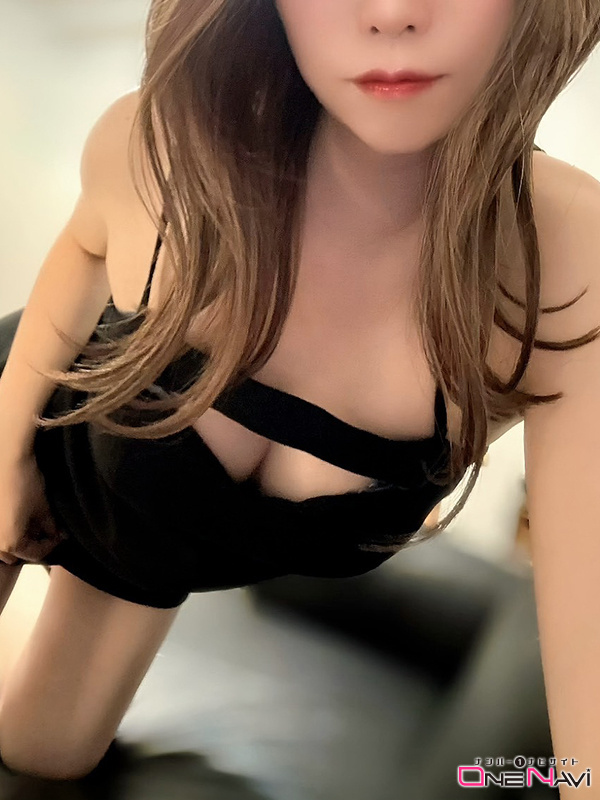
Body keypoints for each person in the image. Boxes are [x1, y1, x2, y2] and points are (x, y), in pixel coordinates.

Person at [0, 0, 599, 787]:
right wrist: (7, 455)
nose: (393, 12)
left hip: (138, 548)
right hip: (44, 419)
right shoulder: (164, 142)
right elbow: (85, 247)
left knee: (42, 756)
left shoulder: (565, 265)